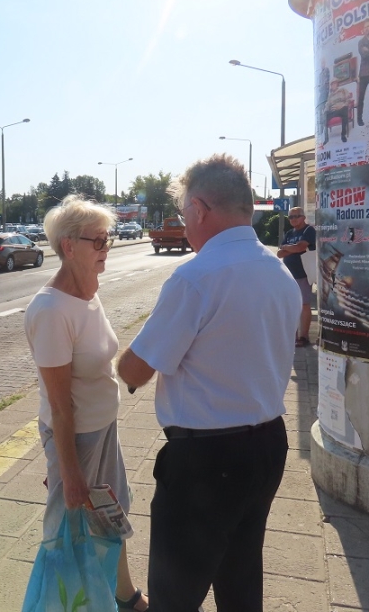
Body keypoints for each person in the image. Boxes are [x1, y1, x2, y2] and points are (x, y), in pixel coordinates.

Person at [117, 154, 300, 611]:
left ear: (199, 209)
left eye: (183, 214)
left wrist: (117, 358)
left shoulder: (195, 278)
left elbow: (136, 371)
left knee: (174, 596)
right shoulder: (278, 269)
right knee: (241, 580)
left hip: (205, 461)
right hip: (267, 446)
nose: (184, 226)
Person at [23, 195, 148, 612]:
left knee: (112, 513)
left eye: (107, 239)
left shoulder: (88, 293)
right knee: (69, 534)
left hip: (102, 428)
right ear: (68, 246)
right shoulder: (51, 310)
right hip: (76, 439)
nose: (105, 248)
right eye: (98, 241)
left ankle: (125, 596)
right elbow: (60, 407)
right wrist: (70, 473)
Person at [277, 207, 317, 347]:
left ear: (303, 217)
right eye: (290, 217)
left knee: (304, 304)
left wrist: (288, 248)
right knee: (291, 305)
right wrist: (292, 248)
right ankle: (292, 336)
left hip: (303, 274)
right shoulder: (289, 233)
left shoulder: (308, 230)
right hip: (289, 275)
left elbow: (300, 247)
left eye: (296, 216)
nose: (293, 219)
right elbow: (279, 253)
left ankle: (304, 336)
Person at [324, 80, 351, 144]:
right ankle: (326, 138)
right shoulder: (330, 96)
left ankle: (343, 135)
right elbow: (327, 105)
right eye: (331, 84)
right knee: (324, 117)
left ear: (337, 84)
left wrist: (343, 105)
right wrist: (325, 111)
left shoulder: (343, 90)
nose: (333, 86)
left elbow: (348, 99)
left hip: (341, 108)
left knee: (345, 110)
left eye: (334, 84)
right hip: (333, 111)